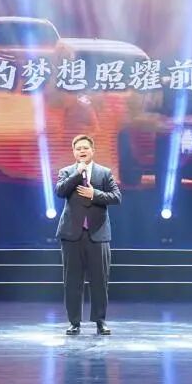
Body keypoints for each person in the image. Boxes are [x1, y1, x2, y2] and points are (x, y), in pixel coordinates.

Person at [55, 134, 121, 336]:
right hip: (72, 235)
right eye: (78, 148)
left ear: (92, 150)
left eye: (85, 148)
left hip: (98, 234)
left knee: (99, 281)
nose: (82, 151)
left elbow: (116, 197)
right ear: (74, 152)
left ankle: (100, 321)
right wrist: (78, 173)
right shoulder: (66, 172)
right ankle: (74, 322)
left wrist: (95, 194)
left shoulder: (104, 173)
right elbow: (60, 191)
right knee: (72, 282)